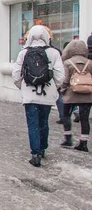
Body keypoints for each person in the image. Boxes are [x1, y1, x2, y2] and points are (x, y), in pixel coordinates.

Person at [12, 25, 64, 167]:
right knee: (44, 121)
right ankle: (42, 148)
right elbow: (60, 76)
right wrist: (54, 88)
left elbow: (16, 75)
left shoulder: (23, 53)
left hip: (29, 95)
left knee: (32, 123)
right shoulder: (53, 53)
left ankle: (35, 154)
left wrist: (23, 87)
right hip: (47, 95)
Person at [59, 39, 92, 151]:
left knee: (66, 115)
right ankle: (83, 142)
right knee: (84, 118)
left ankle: (68, 138)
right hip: (87, 94)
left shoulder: (67, 63)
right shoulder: (90, 63)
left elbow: (66, 79)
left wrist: (62, 89)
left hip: (71, 93)